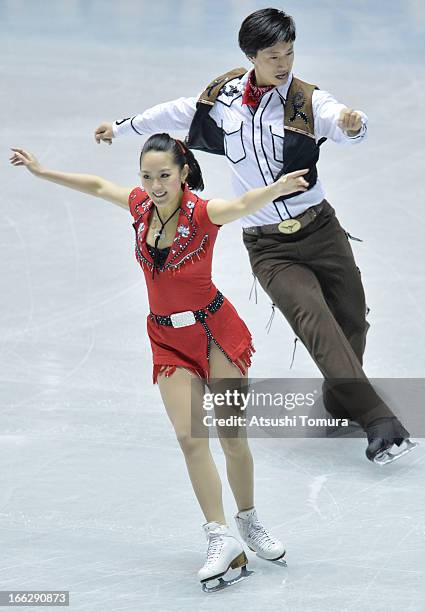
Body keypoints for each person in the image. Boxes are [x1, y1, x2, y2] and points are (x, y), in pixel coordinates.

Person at [94, 8, 416, 466]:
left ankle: (340, 396)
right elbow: (179, 110)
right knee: (316, 322)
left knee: (352, 323)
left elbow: (341, 118)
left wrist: (353, 122)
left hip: (322, 230)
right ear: (252, 56)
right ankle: (379, 421)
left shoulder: (307, 101)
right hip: (269, 247)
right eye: (273, 55)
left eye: (289, 52)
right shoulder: (224, 98)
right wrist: (122, 127)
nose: (284, 63)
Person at [9, 136, 309, 591]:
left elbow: (244, 203)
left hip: (214, 333)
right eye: (146, 176)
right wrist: (43, 171)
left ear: (183, 171)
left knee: (231, 438)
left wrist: (275, 189)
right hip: (168, 339)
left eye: (164, 175)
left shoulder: (203, 214)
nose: (154, 185)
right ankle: (220, 536)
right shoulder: (140, 208)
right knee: (191, 438)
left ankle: (248, 519)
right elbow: (95, 185)